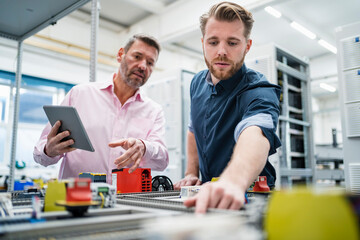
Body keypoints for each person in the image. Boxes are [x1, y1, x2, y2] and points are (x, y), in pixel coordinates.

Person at [174, 2, 281, 213]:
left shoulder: (258, 90)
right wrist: (190, 172)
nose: (221, 51)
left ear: (247, 46)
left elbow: (255, 133)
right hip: (208, 193)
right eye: (213, 42)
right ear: (203, 42)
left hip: (249, 197)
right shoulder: (197, 82)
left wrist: (232, 181)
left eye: (232, 43)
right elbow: (193, 129)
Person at [34, 34, 169, 183]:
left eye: (150, 63)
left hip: (126, 202)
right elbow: (40, 153)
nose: (143, 66)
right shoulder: (80, 94)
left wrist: (144, 147)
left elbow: (162, 161)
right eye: (137, 56)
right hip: (76, 199)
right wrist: (49, 151)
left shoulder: (154, 110)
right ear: (120, 55)